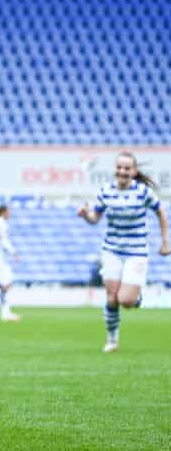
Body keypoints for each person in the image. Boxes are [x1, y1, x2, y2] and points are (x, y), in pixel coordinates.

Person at [77, 151, 169, 353]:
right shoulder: (106, 191)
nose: (122, 171)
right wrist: (85, 215)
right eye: (119, 167)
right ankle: (112, 340)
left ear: (134, 171)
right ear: (115, 169)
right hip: (111, 250)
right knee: (111, 297)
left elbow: (160, 212)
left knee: (125, 301)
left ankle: (136, 297)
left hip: (136, 252)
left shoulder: (143, 192)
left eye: (127, 168)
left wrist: (165, 241)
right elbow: (95, 219)